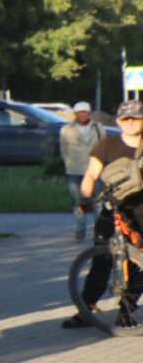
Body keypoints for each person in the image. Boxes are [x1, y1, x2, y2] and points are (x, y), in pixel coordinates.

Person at [69, 100, 143, 328]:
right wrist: (85, 195)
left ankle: (127, 311)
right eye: (125, 119)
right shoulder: (107, 145)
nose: (129, 123)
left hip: (140, 213)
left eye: (135, 118)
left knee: (138, 266)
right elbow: (91, 174)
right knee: (101, 261)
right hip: (112, 210)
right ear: (118, 121)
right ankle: (86, 309)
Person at [59, 99, 103, 242]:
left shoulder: (98, 128)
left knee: (98, 202)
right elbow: (63, 150)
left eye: (85, 112)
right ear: (75, 114)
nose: (82, 115)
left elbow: (103, 147)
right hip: (74, 171)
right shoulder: (66, 130)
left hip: (95, 170)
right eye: (79, 113)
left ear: (89, 114)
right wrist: (68, 164)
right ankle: (80, 230)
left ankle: (100, 231)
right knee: (78, 202)